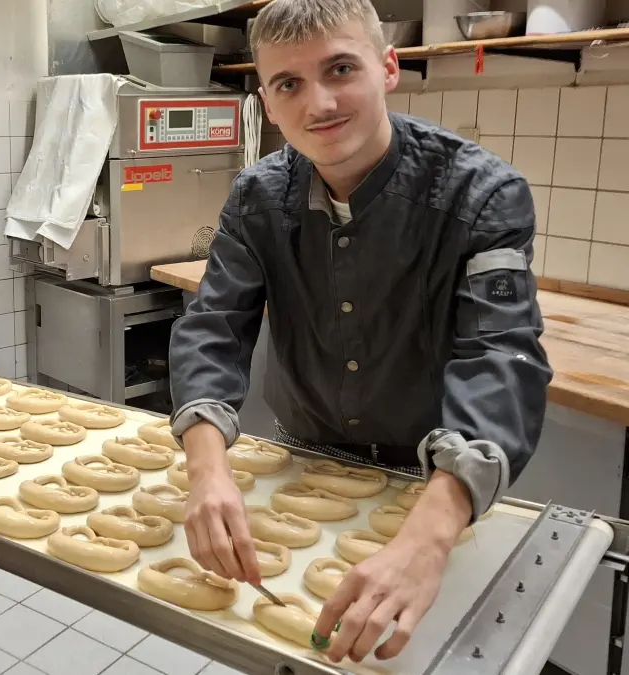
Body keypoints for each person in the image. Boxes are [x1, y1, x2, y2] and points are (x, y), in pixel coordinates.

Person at [168, 0, 552, 664]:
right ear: (267, 99)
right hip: (305, 456)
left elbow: (500, 353)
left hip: (435, 480)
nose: (319, 102)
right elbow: (213, 326)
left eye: (340, 69)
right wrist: (206, 468)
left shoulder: (482, 196)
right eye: (289, 83)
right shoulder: (257, 200)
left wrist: (429, 539)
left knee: (408, 651)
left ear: (388, 68)